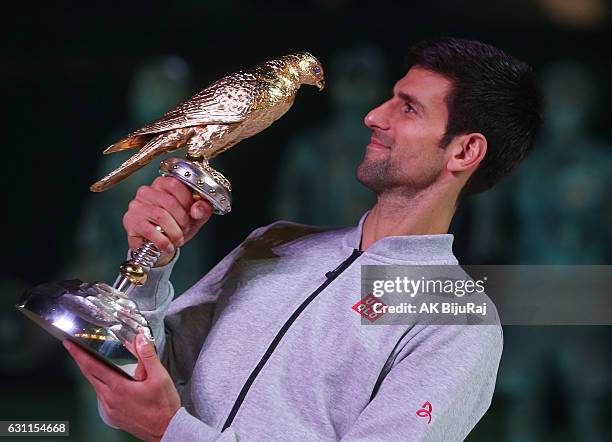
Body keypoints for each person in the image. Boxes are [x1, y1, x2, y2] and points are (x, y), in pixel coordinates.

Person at [63, 37, 542, 441]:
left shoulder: (456, 320)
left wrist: (173, 431)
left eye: (408, 107)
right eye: (390, 98)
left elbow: (162, 420)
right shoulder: (274, 243)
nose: (374, 115)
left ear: (465, 150)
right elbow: (151, 376)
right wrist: (155, 261)